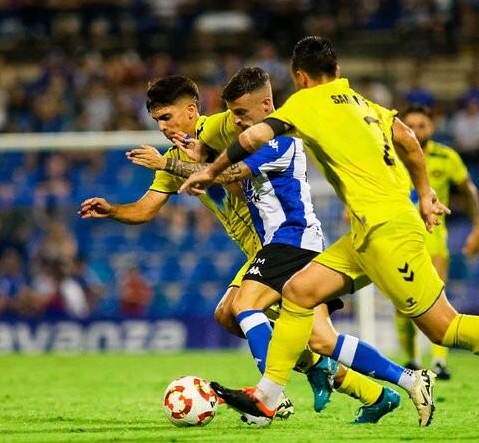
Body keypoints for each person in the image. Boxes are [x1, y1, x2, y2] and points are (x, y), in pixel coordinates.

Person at [86, 72, 421, 423]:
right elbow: (145, 209)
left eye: (167, 117)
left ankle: (277, 397)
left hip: (286, 243)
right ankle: (373, 392)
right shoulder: (173, 155)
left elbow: (241, 160)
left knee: (311, 335)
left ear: (191, 110)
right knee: (237, 317)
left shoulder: (221, 127)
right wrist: (113, 210)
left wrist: (184, 159)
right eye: (157, 121)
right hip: (261, 250)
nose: (163, 128)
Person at [179, 36, 479, 428]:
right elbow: (405, 136)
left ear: (300, 77)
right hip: (366, 233)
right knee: (299, 292)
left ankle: (294, 391)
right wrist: (424, 193)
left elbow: (253, 137)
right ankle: (268, 397)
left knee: (444, 327)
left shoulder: (306, 101)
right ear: (336, 70)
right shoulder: (362, 102)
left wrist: (210, 170)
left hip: (388, 229)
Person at [395, 105, 479, 378]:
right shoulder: (390, 156)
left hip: (433, 237)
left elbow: (468, 190)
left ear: (432, 127)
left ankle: (439, 362)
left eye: (422, 125)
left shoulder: (446, 156)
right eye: (411, 125)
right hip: (398, 237)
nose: (416, 131)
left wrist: (477, 228)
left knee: (436, 296)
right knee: (403, 302)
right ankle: (412, 358)